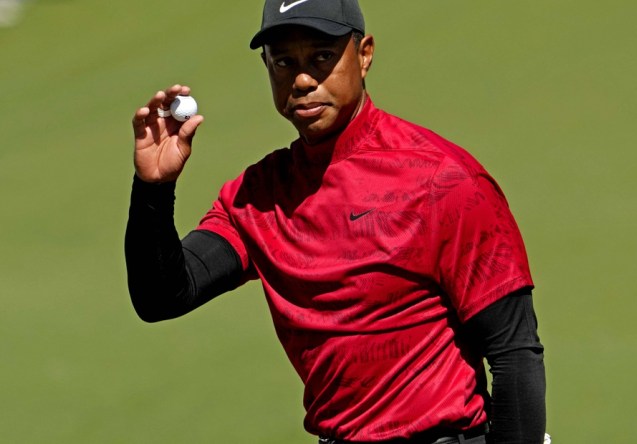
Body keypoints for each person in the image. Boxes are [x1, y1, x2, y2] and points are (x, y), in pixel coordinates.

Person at [125, 1, 546, 443]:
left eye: (322, 57)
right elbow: (162, 297)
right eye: (284, 61)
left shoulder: (444, 180)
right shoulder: (259, 195)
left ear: (363, 54)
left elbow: (514, 350)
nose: (303, 79)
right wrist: (153, 187)